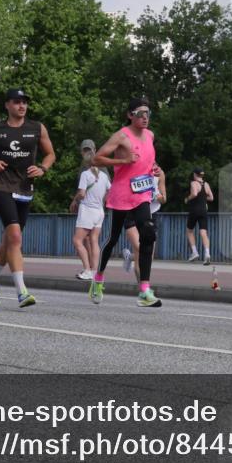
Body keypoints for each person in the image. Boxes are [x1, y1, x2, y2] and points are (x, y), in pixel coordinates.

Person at [0, 88, 56, 308]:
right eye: (17, 102)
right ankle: (21, 292)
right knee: (15, 236)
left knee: (10, 240)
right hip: (2, 186)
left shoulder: (37, 128)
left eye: (24, 102)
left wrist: (43, 168)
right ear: (7, 105)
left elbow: (50, 154)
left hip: (25, 188)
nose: (22, 106)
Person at [90, 98, 163, 307]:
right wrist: (122, 161)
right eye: (140, 113)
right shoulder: (121, 136)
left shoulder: (150, 135)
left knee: (148, 233)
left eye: (148, 113)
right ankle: (98, 278)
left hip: (141, 194)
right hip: (122, 195)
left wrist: (154, 168)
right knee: (113, 238)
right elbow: (96, 159)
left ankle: (144, 290)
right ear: (130, 115)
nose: (145, 117)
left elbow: (147, 160)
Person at [71, 139, 111, 281]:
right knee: (94, 240)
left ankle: (87, 270)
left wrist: (76, 200)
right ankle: (95, 271)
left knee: (77, 240)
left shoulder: (85, 174)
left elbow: (81, 193)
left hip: (87, 209)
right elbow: (109, 192)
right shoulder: (104, 175)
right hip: (99, 211)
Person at [123, 168, 166, 281]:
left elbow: (164, 198)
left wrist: (159, 197)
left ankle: (142, 287)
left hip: (151, 215)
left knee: (147, 255)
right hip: (134, 213)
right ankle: (143, 289)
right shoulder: (136, 169)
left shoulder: (160, 173)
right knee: (140, 248)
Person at [185, 168, 213, 264]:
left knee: (189, 231)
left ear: (194, 174)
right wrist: (204, 198)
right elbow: (211, 198)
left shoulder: (193, 183)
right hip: (204, 210)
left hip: (194, 210)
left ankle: (194, 252)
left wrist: (188, 198)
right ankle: (207, 254)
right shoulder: (206, 184)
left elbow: (194, 193)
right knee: (203, 232)